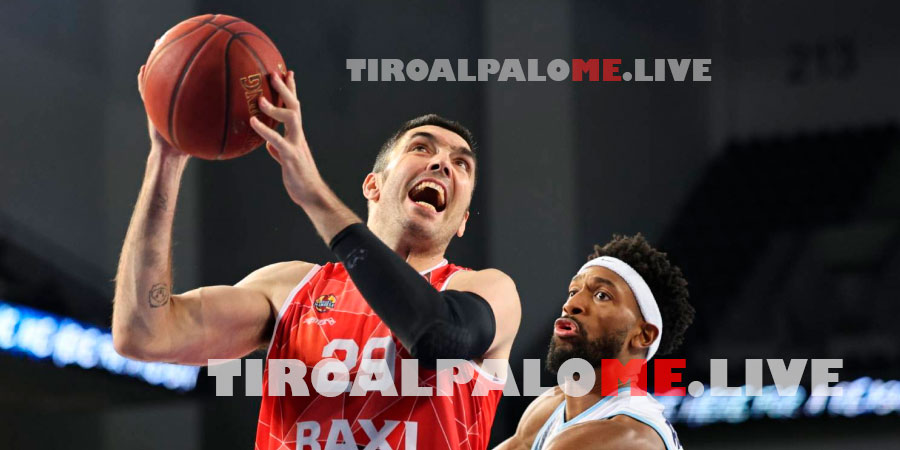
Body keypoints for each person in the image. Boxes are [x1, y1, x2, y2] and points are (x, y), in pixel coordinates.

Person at [112, 66, 521, 450]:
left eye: (461, 164)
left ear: (462, 220)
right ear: (373, 186)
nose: (442, 163)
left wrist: (314, 194)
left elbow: (438, 337)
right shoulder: (290, 288)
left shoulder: (488, 289)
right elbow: (143, 335)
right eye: (421, 147)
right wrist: (165, 160)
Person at [496, 235, 694, 450]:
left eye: (602, 295)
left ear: (643, 335)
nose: (571, 304)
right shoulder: (551, 407)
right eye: (573, 291)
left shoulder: (625, 435)